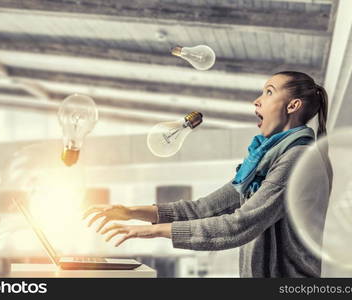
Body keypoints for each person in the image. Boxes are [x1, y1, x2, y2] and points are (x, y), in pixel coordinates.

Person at [83, 71, 331, 277]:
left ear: (293, 105)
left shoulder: (298, 159)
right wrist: (132, 212)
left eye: (269, 92)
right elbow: (204, 208)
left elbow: (240, 225)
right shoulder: (265, 162)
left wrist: (152, 231)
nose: (257, 101)